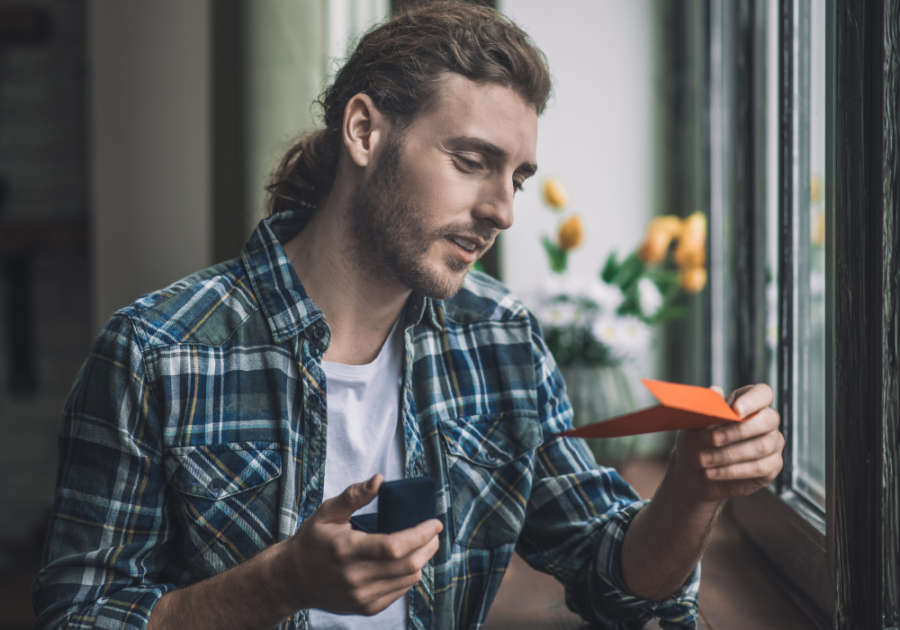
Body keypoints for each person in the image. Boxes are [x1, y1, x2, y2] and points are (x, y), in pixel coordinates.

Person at [32, 4, 784, 630]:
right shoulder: (155, 354)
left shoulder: (502, 341)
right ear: (365, 132)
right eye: (471, 161)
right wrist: (276, 584)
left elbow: (611, 578)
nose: (501, 211)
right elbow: (79, 617)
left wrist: (693, 489)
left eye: (517, 177)